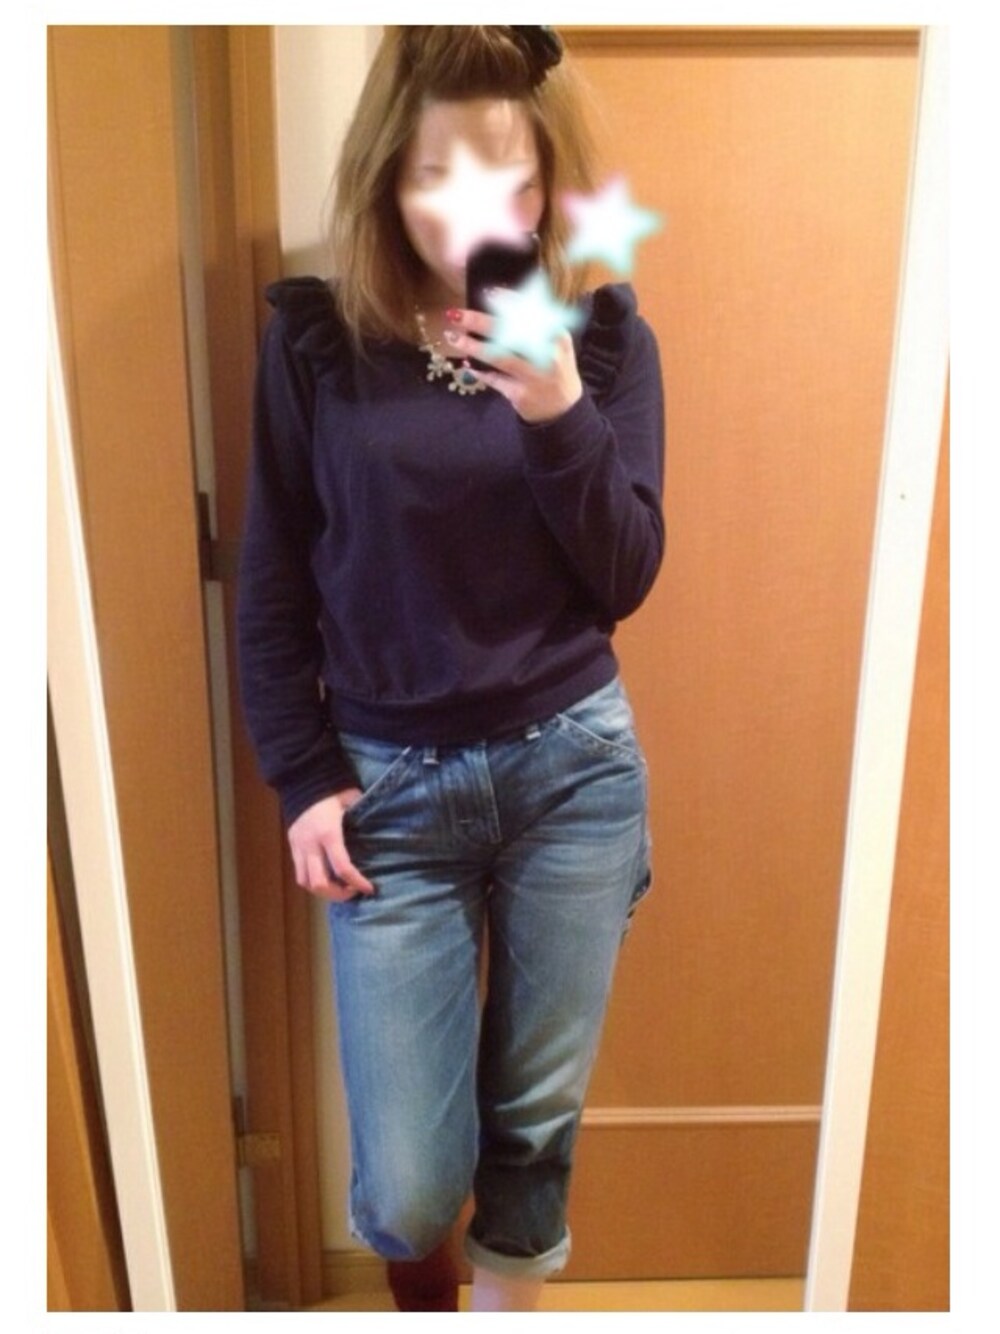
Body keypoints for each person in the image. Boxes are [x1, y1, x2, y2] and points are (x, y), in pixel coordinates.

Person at [237, 25, 665, 1314]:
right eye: (438, 177)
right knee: (414, 1187)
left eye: (510, 180)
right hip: (389, 791)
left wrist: (558, 412)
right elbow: (274, 571)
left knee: (532, 1130)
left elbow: (625, 575)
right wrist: (301, 775)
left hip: (573, 774)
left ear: (549, 184)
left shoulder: (602, 341)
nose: (474, 211)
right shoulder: (319, 344)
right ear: (386, 176)